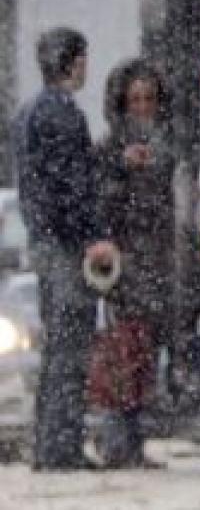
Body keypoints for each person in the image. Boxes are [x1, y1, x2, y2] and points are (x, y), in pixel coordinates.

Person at [11, 27, 116, 471]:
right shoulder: (63, 113)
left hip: (45, 240)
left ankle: (50, 442)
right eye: (84, 59)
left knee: (58, 345)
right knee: (71, 347)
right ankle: (61, 446)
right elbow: (72, 184)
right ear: (73, 62)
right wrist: (92, 236)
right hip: (66, 246)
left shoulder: (28, 111)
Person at [90, 58, 176, 469]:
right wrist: (120, 170)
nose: (143, 106)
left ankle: (136, 443)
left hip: (158, 262)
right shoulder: (108, 149)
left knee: (145, 356)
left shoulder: (169, 148)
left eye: (149, 99)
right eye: (135, 99)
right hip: (125, 265)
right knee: (120, 354)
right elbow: (100, 204)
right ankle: (115, 442)